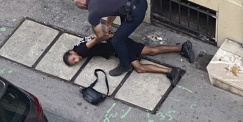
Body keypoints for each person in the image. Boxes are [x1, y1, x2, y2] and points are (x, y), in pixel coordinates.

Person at [74, 0, 149, 76]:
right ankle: (130, 50)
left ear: (82, 6)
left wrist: (104, 36)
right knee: (121, 34)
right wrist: (108, 24)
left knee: (117, 41)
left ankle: (125, 65)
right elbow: (113, 7)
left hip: (136, 14)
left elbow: (100, 36)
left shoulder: (92, 13)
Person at [63, 35, 194, 85]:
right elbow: (93, 36)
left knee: (139, 68)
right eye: (74, 62)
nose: (76, 60)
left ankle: (171, 71)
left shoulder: (81, 50)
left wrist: (104, 38)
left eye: (73, 58)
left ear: (71, 52)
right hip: (119, 40)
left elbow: (96, 39)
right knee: (151, 51)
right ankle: (181, 47)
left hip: (118, 47)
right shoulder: (77, 46)